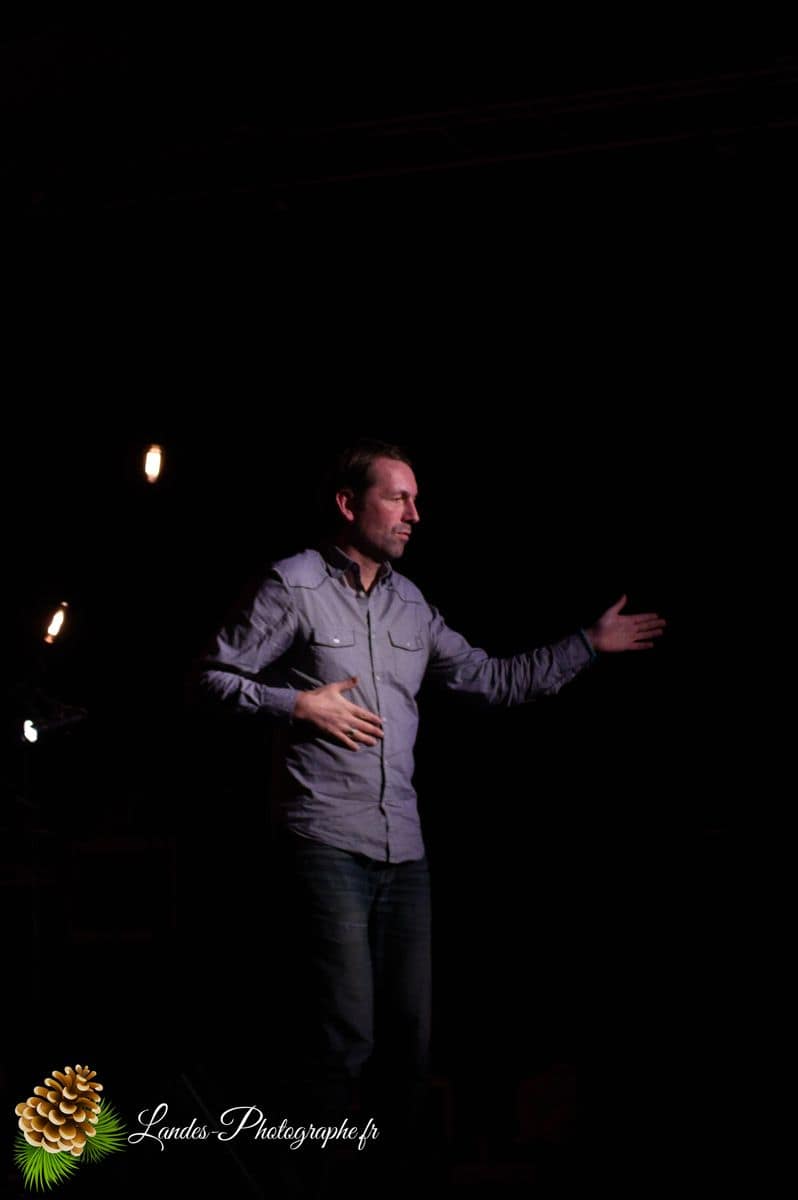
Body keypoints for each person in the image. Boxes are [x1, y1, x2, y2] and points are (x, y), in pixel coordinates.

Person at [192, 438, 666, 1195]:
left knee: (409, 1047)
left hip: (403, 849)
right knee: (344, 1036)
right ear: (348, 504)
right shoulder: (295, 584)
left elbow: (494, 680)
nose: (415, 514)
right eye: (397, 497)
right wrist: (297, 704)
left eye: (415, 499)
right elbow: (214, 678)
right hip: (324, 837)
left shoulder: (412, 605)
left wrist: (587, 644)